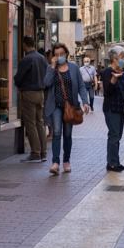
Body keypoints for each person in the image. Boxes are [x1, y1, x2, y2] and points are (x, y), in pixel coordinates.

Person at [43, 43, 90, 175]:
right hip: (56, 106)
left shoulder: (74, 68)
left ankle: (66, 161)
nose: (59, 57)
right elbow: (46, 83)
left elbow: (81, 86)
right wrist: (52, 67)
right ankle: (55, 163)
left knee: (68, 135)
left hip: (70, 106)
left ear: (66, 54)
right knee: (57, 132)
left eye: (61, 54)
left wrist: (85, 102)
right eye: (56, 54)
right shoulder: (51, 68)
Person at [14, 36, 49, 162]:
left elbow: (18, 78)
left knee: (30, 123)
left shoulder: (26, 59)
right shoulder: (42, 58)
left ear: (25, 45)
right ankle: (43, 152)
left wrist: (18, 84)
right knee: (40, 122)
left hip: (29, 93)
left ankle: (35, 151)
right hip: (41, 93)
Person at [100, 45, 124, 172]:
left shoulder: (122, 71)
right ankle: (111, 163)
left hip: (120, 108)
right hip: (111, 108)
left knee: (118, 136)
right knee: (113, 135)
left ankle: (116, 162)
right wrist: (113, 79)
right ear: (114, 58)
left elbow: (123, 87)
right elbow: (107, 91)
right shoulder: (107, 72)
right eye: (121, 57)